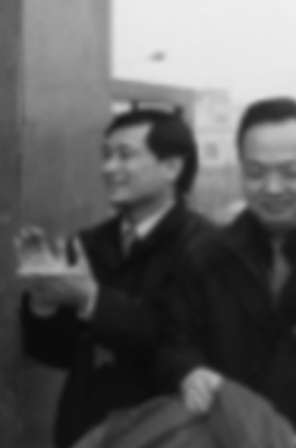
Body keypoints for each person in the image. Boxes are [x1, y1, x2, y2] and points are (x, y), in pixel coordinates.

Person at [17, 110, 213, 448]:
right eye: (106, 155)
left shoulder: (207, 248)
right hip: (85, 431)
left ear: (171, 167)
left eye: (125, 155)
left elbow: (176, 342)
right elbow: (57, 354)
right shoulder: (89, 243)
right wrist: (44, 301)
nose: (108, 168)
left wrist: (92, 300)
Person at [159, 98, 296, 448]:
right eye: (255, 173)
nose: (272, 188)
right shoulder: (207, 257)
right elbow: (172, 341)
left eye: (291, 172)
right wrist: (188, 372)